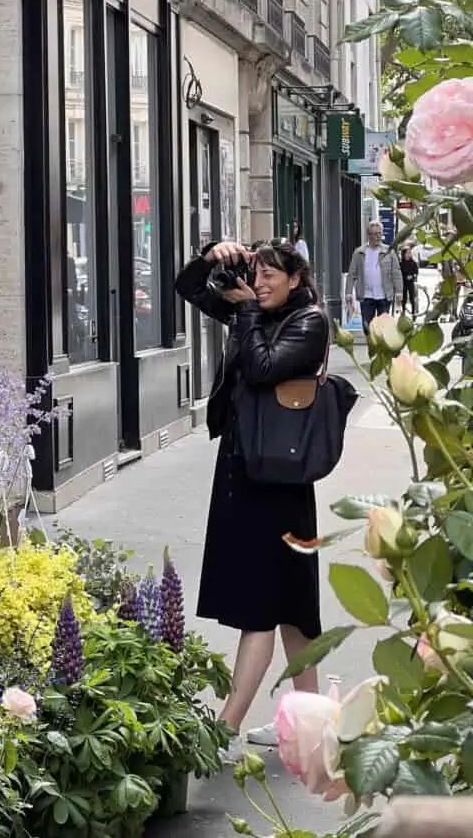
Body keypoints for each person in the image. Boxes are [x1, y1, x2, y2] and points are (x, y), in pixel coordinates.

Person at [175, 239, 328, 759]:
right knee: (293, 608)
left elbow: (263, 368)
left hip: (278, 481)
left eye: (269, 276)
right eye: (254, 274)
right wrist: (211, 257)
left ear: (294, 280)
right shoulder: (255, 309)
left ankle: (226, 728)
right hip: (247, 467)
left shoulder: (308, 323)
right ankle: (310, 727)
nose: (258, 284)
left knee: (264, 607)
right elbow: (188, 288)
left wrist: (245, 310)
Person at [344, 220, 402, 336]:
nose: (377, 237)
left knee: (383, 329)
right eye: (374, 234)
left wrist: (399, 291)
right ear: (368, 235)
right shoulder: (359, 252)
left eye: (379, 233)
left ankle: (380, 351)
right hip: (366, 296)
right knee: (367, 327)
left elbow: (396, 273)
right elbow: (352, 274)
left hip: (384, 295)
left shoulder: (389, 251)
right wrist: (348, 293)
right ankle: (372, 347)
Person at [400, 246, 419, 317]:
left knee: (412, 298)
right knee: (404, 298)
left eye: (409, 253)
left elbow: (416, 272)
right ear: (404, 254)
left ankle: (413, 313)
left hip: (411, 282)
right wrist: (404, 277)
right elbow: (399, 273)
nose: (408, 254)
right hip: (403, 283)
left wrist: (412, 276)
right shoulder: (401, 263)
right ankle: (403, 312)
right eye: (407, 253)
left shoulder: (413, 263)